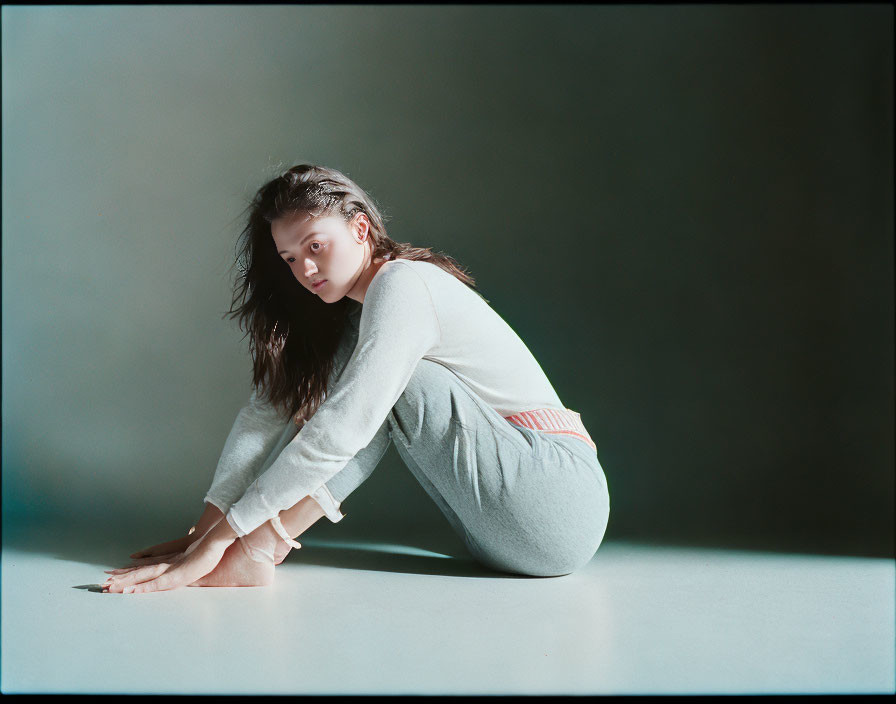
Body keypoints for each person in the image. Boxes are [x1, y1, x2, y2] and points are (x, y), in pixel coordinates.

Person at [102, 164, 610, 594]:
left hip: (560, 500)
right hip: (496, 534)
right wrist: (209, 524)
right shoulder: (350, 312)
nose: (305, 267)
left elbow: (343, 431)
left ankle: (259, 551)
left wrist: (229, 539)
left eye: (315, 245)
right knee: (355, 397)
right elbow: (266, 411)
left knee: (397, 389)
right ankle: (250, 549)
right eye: (290, 258)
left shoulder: (403, 285)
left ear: (361, 230)